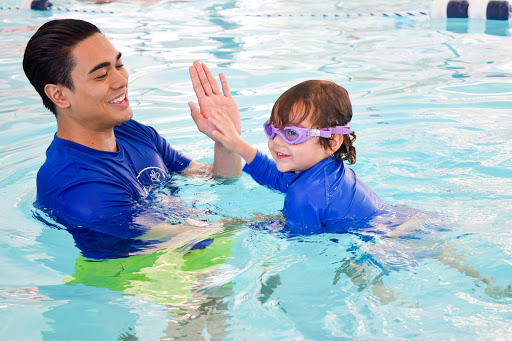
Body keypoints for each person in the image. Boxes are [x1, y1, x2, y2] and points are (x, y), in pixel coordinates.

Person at [23, 19, 241, 244]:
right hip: (134, 272)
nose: (121, 80)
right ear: (59, 95)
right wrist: (262, 223)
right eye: (101, 75)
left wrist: (227, 139)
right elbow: (183, 235)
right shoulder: (78, 186)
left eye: (118, 65)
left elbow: (217, 179)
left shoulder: (133, 133)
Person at [206, 79, 386, 234]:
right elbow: (278, 179)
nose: (276, 141)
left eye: (292, 133)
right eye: (272, 129)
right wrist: (236, 143)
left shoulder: (305, 195)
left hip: (386, 241)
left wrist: (234, 224)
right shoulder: (324, 169)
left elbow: (299, 241)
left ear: (332, 142)